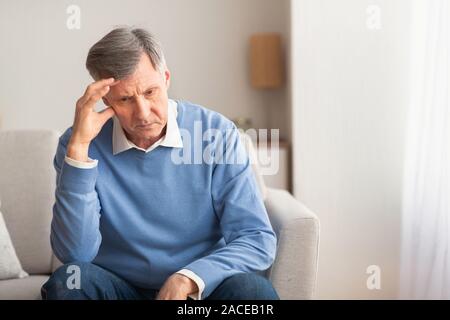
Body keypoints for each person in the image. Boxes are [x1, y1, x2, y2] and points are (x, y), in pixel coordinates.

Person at [41, 27, 279, 300]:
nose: (143, 113)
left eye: (151, 92)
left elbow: (255, 237)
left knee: (255, 293)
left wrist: (188, 278)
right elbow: (76, 255)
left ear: (166, 79)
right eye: (125, 99)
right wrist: (79, 151)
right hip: (119, 289)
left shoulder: (216, 134)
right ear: (105, 100)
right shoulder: (79, 144)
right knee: (69, 283)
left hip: (198, 292)